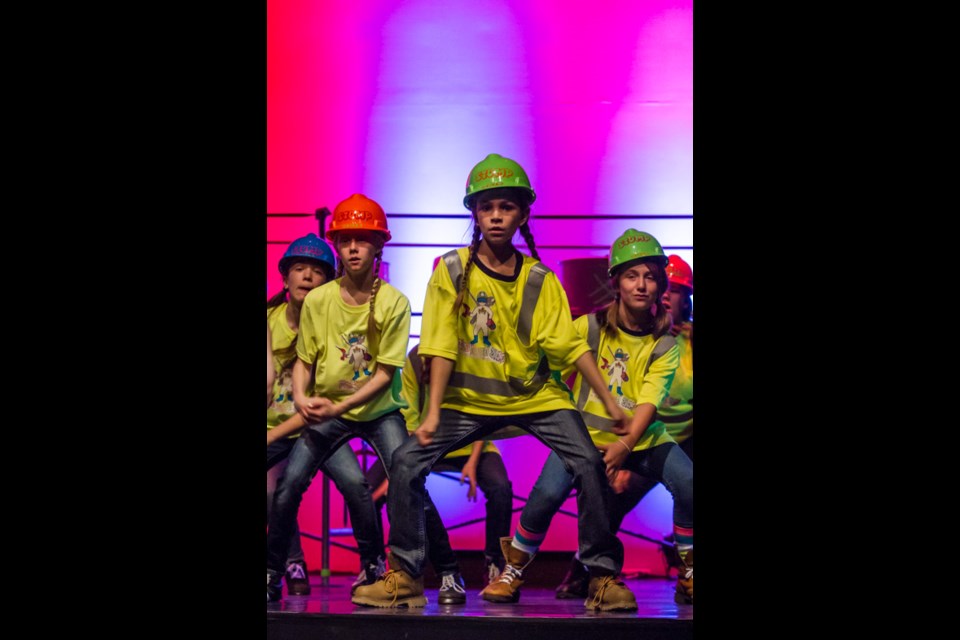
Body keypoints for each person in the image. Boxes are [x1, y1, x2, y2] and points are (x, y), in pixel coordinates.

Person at [352, 153, 637, 611]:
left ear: (523, 213)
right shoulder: (450, 269)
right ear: (475, 214)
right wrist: (431, 413)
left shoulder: (540, 279)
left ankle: (602, 577)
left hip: (533, 397)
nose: (497, 216)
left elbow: (569, 346)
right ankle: (404, 575)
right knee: (405, 463)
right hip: (468, 402)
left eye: (507, 207)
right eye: (487, 207)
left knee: (587, 461)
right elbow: (439, 344)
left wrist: (611, 404)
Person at [267, 194, 463, 606]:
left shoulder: (394, 302)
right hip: (328, 410)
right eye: (346, 240)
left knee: (409, 484)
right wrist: (302, 396)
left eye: (363, 239)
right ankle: (272, 572)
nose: (353, 248)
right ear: (337, 245)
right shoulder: (320, 301)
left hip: (377, 411)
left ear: (379, 246)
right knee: (288, 488)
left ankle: (447, 571)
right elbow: (304, 362)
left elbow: (383, 376)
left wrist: (335, 408)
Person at [497, 230, 694, 606]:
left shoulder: (665, 343)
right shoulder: (587, 328)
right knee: (546, 495)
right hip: (584, 436)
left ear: (660, 287)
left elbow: (649, 403)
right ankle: (513, 572)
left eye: (651, 277)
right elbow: (549, 372)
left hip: (642, 438)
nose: (641, 285)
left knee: (687, 482)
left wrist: (623, 447)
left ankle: (687, 571)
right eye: (632, 276)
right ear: (615, 282)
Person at [554, 253, 694, 598]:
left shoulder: (686, 341)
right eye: (666, 287)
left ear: (684, 297)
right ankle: (584, 569)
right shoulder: (635, 333)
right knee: (612, 495)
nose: (664, 295)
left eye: (675, 290)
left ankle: (687, 573)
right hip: (644, 434)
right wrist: (627, 451)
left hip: (685, 437)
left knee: (689, 484)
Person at [266, 232, 388, 598]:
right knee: (273, 493)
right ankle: (291, 562)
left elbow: (320, 403)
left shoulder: (333, 320)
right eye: (298, 269)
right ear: (285, 278)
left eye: (317, 271)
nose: (307, 276)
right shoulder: (268, 319)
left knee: (356, 485)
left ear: (329, 280)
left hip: (319, 425)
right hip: (273, 424)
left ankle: (373, 566)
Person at [364, 342, 514, 587]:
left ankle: (494, 561)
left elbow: (485, 413)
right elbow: (410, 420)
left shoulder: (470, 354)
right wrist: (399, 476)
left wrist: (473, 462)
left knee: (500, 488)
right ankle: (376, 563)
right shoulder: (414, 359)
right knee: (368, 491)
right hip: (428, 439)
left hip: (471, 443)